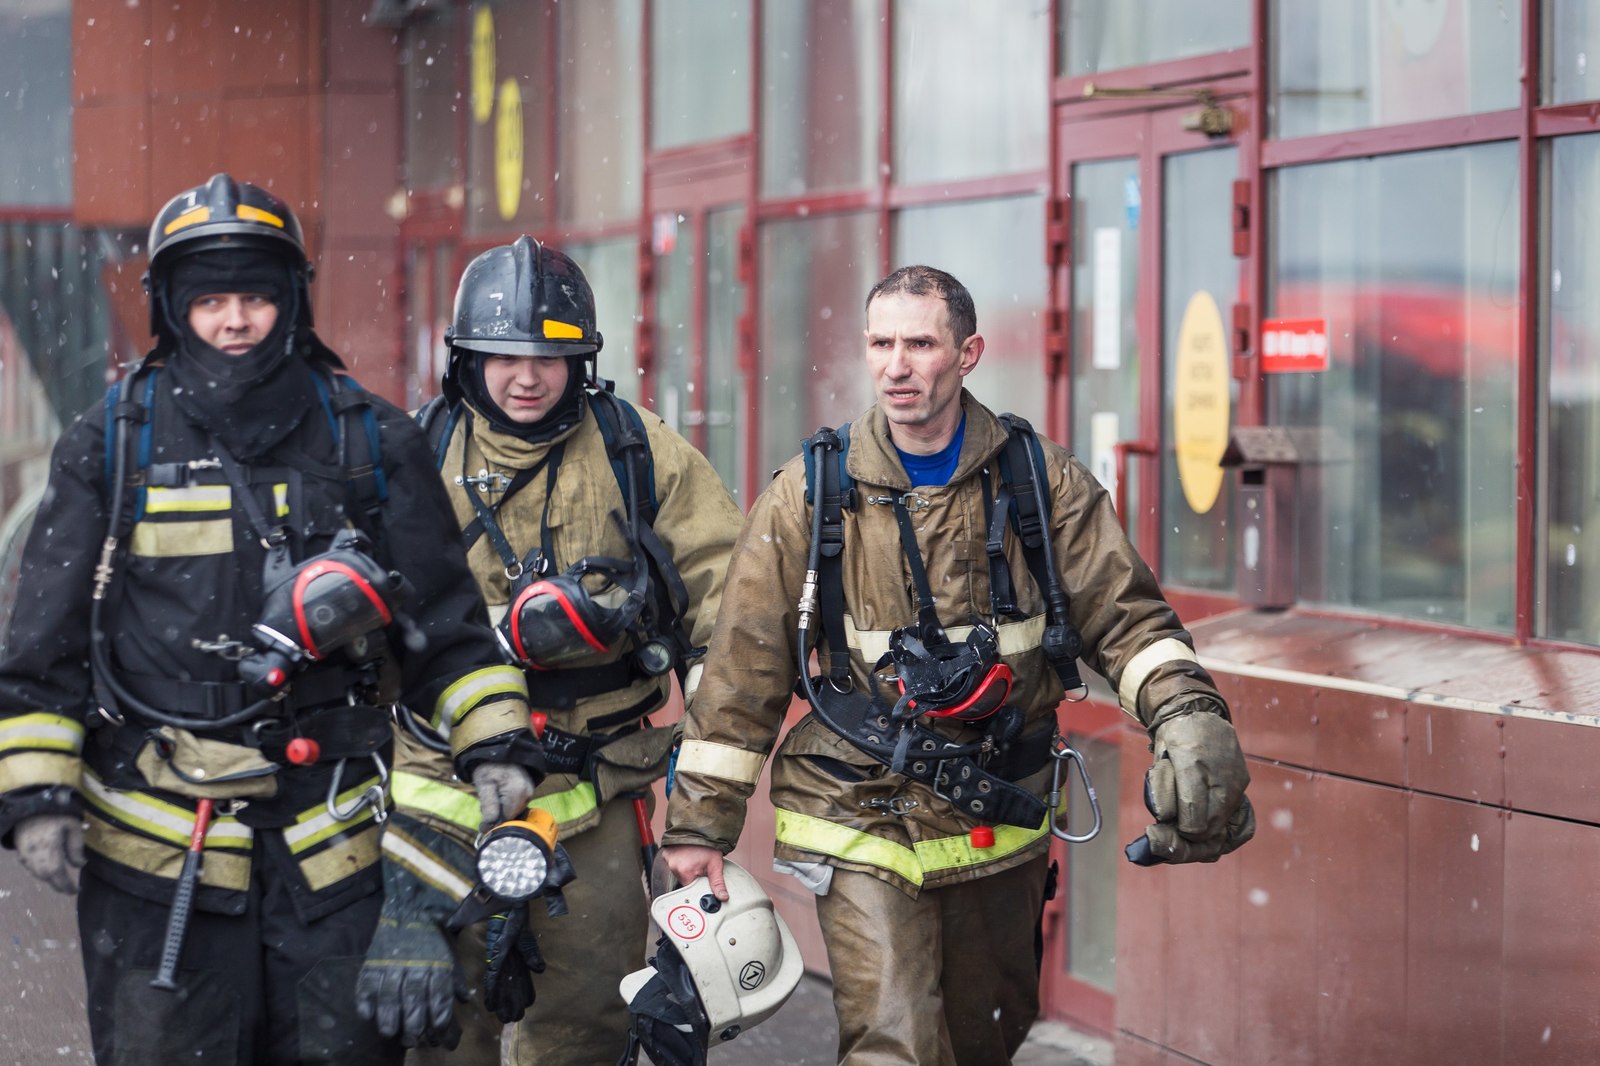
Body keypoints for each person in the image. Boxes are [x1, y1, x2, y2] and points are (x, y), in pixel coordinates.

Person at [0, 174, 541, 1065]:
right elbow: (42, 645)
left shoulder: (370, 441)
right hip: (155, 866)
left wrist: (495, 745)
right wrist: (38, 799)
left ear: (290, 300)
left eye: (253, 296)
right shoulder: (113, 441)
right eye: (210, 300)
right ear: (174, 309)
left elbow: (450, 630)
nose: (235, 321)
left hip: (334, 860)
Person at [659, 265, 1255, 1065]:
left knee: (988, 1039)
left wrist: (1186, 713)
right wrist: (699, 826)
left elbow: (1128, 617)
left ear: (967, 352)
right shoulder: (811, 493)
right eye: (880, 343)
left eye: (920, 343)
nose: (896, 366)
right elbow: (743, 669)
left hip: (997, 809)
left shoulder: (1043, 483)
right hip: (856, 808)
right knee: (893, 1043)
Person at [391, 235, 742, 1065]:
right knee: (436, 1027)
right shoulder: (416, 453)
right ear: (465, 360)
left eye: (551, 358)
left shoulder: (637, 450)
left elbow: (728, 608)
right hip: (443, 792)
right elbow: (377, 622)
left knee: (589, 1026)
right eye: (503, 356)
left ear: (582, 361)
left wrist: (708, 789)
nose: (526, 377)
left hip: (595, 787)